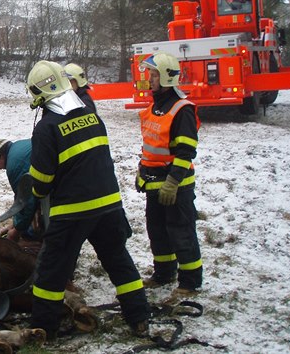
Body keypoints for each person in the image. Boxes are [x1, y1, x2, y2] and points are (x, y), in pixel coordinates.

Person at [25, 60, 151, 339]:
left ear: (37, 94)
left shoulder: (47, 128)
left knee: (51, 270)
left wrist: (34, 196)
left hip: (72, 211)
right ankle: (139, 317)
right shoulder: (93, 117)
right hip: (109, 205)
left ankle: (43, 327)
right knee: (118, 259)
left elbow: (42, 181)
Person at [135, 51, 203, 297]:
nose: (149, 79)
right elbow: (151, 144)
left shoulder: (181, 109)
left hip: (175, 185)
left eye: (153, 75)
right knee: (157, 230)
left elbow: (186, 152)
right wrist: (141, 170)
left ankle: (190, 282)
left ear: (165, 77)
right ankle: (163, 273)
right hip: (154, 183)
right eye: (149, 74)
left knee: (181, 231)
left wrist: (173, 182)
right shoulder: (156, 106)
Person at [0, 138, 40, 242]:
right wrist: (15, 223)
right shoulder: (19, 146)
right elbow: (20, 197)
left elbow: (26, 201)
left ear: (1, 156)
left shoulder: (14, 165)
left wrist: (17, 231)